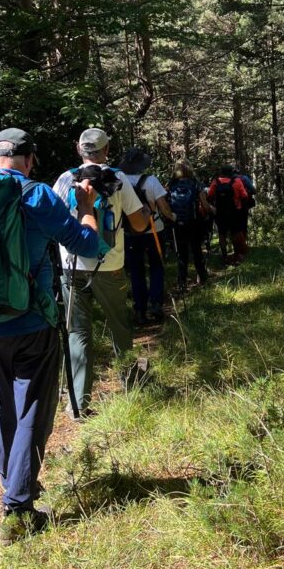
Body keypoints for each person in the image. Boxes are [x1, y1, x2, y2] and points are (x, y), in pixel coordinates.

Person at [0, 127, 99, 545]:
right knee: (33, 411)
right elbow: (88, 245)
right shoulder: (37, 195)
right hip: (32, 322)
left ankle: (14, 485)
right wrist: (86, 206)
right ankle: (18, 505)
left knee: (1, 408)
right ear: (30, 160)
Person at [53, 128, 149, 415]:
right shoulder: (117, 179)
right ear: (107, 150)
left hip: (71, 265)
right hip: (110, 265)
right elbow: (140, 225)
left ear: (78, 149)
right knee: (119, 325)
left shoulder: (65, 179)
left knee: (77, 332)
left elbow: (54, 219)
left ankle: (78, 403)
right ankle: (130, 385)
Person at [119, 146, 175, 324]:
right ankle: (156, 305)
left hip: (130, 232)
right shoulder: (151, 181)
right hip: (154, 230)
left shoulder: (120, 181)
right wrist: (173, 216)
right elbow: (163, 207)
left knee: (136, 271)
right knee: (156, 266)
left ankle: (140, 309)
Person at [168, 159, 213, 292]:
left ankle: (182, 283)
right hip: (193, 222)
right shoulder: (195, 184)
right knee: (196, 251)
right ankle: (202, 278)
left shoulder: (171, 184)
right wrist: (211, 209)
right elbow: (204, 204)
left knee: (182, 254)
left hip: (177, 223)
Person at [207, 165, 250, 265]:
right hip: (235, 212)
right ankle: (237, 256)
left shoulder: (216, 182)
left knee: (222, 234)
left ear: (221, 172)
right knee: (235, 233)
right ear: (232, 172)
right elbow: (244, 196)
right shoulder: (237, 181)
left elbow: (209, 196)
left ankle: (224, 256)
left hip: (220, 213)